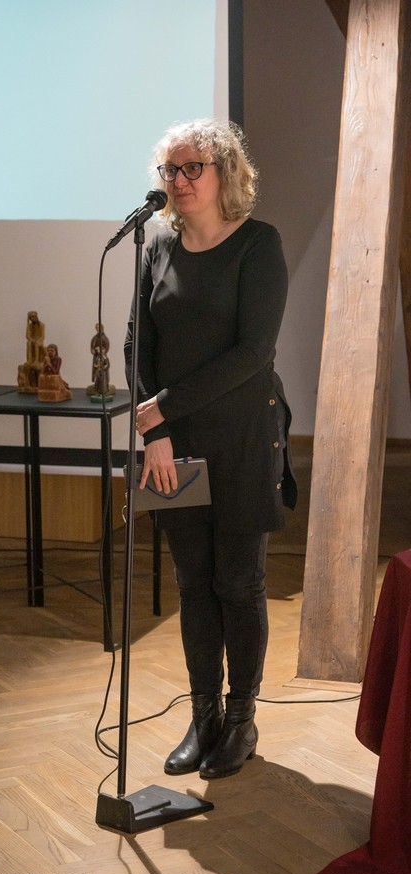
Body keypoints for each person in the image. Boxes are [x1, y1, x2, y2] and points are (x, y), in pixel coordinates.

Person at [124, 119, 296, 780]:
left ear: (226, 172)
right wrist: (157, 434)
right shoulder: (157, 247)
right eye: (170, 169)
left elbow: (254, 352)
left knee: (238, 583)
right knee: (194, 583)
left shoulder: (258, 244)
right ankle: (203, 717)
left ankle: (241, 720)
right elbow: (138, 346)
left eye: (192, 166)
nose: (178, 179)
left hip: (245, 439)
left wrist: (161, 408)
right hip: (174, 447)